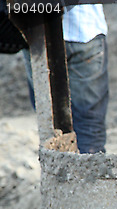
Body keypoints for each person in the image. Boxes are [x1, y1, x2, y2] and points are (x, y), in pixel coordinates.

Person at [24, 4, 108, 154]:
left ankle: (61, 175)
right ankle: (90, 175)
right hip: (84, 27)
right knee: (89, 123)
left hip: (35, 34)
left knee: (51, 125)